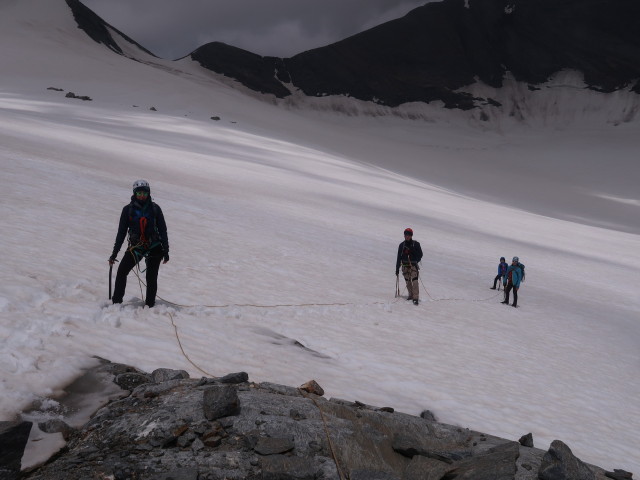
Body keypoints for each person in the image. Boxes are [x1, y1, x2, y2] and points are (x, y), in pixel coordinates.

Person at [109, 180, 169, 307]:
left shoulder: (155, 209)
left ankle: (150, 305)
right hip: (136, 247)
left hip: (154, 247)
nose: (142, 196)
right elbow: (121, 233)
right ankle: (116, 302)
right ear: (134, 193)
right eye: (139, 193)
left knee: (151, 277)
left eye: (145, 193)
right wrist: (114, 253)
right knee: (121, 272)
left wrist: (166, 250)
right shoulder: (127, 210)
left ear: (149, 194)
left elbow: (163, 230)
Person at [395, 228, 423, 305]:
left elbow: (420, 254)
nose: (406, 236)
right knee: (408, 282)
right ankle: (411, 295)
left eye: (408, 235)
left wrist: (414, 257)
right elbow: (398, 257)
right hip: (404, 266)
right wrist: (397, 268)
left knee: (415, 281)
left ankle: (415, 297)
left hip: (413, 266)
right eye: (405, 235)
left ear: (411, 235)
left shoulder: (416, 244)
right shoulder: (401, 245)